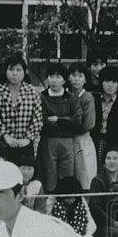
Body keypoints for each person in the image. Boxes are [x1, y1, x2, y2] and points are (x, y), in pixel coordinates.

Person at [37, 62, 85, 192]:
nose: (54, 80)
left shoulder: (72, 98)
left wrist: (58, 119)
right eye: (51, 76)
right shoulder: (41, 97)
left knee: (67, 177)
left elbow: (77, 122)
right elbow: (43, 122)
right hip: (48, 141)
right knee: (49, 177)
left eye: (58, 77)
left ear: (64, 80)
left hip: (68, 142)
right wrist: (66, 122)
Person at [0, 52, 43, 165]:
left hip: (25, 145)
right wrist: (6, 136)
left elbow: (37, 119)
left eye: (18, 70)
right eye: (11, 69)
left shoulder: (32, 91)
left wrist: (27, 139)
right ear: (6, 71)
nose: (14, 74)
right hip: (4, 144)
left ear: (24, 72)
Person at [91, 66, 118, 169]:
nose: (110, 85)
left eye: (114, 82)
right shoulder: (93, 101)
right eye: (107, 81)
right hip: (95, 144)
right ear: (101, 82)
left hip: (116, 145)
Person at [66, 62, 98, 189]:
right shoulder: (65, 95)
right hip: (67, 141)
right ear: (68, 77)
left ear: (85, 79)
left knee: (84, 175)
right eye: (73, 75)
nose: (76, 79)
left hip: (82, 140)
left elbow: (88, 124)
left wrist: (66, 125)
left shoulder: (87, 97)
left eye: (80, 76)